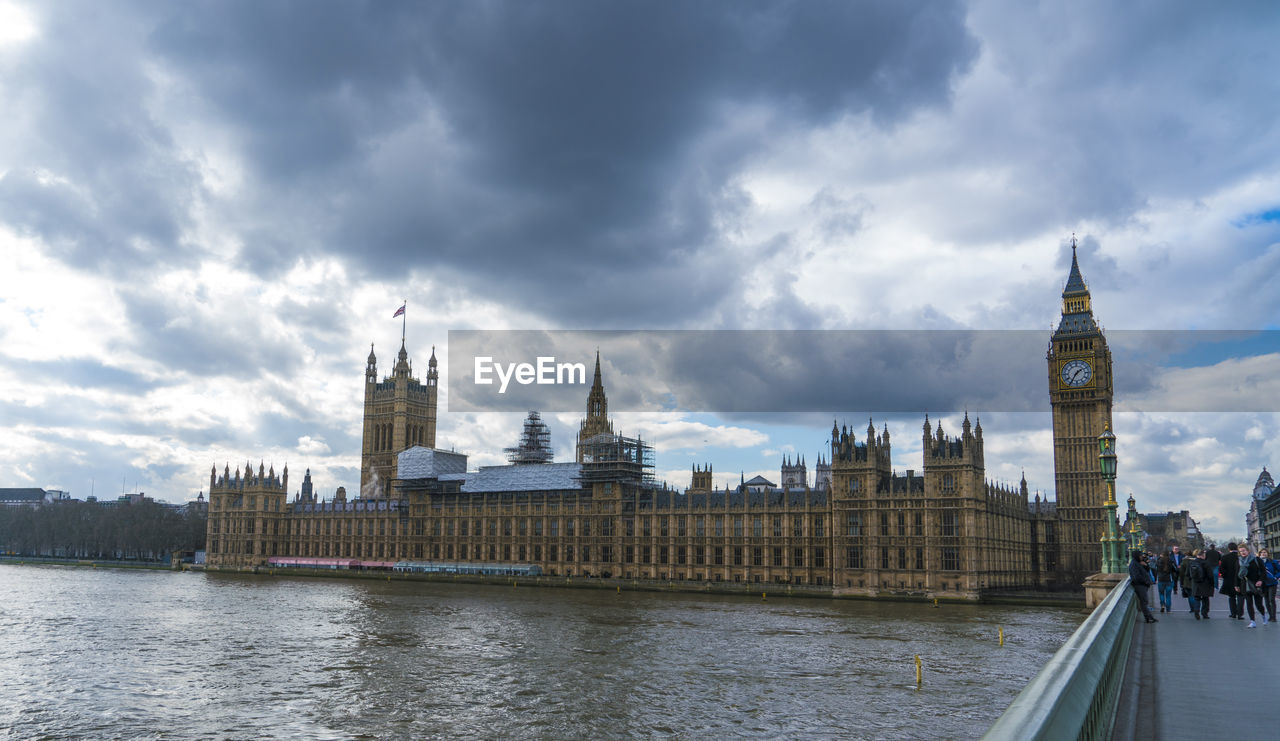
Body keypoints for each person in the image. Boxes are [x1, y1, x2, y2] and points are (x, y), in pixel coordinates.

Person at [1237, 543, 1266, 628]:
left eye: (1244, 551)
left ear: (1248, 551)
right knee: (1249, 604)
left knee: (1258, 604)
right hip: (1245, 584)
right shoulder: (1239, 561)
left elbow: (1263, 572)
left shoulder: (1256, 559)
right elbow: (1236, 574)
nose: (1242, 553)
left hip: (1256, 584)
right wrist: (1236, 585)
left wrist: (1260, 580)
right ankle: (1252, 621)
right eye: (1241, 551)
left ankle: (1263, 615)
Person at [1129, 549, 1157, 623]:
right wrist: (1145, 582)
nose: (1142, 557)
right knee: (1144, 602)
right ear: (1137, 556)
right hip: (1140, 585)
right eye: (1140, 555)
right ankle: (1148, 618)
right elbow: (1136, 577)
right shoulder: (1134, 564)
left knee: (1144, 602)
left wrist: (1146, 565)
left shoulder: (1138, 563)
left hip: (1142, 585)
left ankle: (1149, 617)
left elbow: (1146, 571)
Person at [1185, 549, 1213, 619]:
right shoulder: (1206, 563)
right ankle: (1204, 613)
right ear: (1203, 555)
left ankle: (1196, 611)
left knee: (1196, 598)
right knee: (1205, 599)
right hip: (1205, 583)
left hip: (1196, 583)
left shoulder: (1191, 563)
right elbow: (1210, 575)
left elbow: (1187, 574)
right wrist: (1212, 583)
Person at [1220, 542, 1241, 619]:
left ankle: (1233, 613)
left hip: (1229, 579)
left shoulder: (1225, 557)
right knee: (1240, 597)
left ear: (1229, 549)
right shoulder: (1240, 557)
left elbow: (1221, 569)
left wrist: (1225, 575)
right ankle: (1240, 613)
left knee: (1231, 597)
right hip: (1240, 579)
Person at [1261, 548, 1279, 624]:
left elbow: (1279, 570)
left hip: (1272, 583)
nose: (1263, 553)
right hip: (1263, 584)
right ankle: (1270, 616)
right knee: (1266, 600)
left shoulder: (1273, 562)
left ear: (1268, 553)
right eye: (1261, 552)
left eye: (1265, 552)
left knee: (1271, 599)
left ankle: (1274, 617)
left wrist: (1276, 577)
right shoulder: (1258, 562)